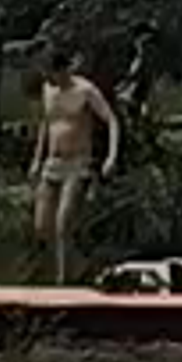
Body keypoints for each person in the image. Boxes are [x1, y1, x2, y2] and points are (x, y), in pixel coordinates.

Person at [31, 48, 124, 280]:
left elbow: (111, 120)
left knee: (63, 223)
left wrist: (111, 157)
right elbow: (46, 123)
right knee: (42, 226)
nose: (49, 80)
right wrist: (36, 158)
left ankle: (62, 282)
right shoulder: (48, 90)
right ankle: (78, 265)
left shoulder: (85, 90)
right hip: (52, 162)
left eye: (52, 74)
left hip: (78, 162)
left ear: (63, 70)